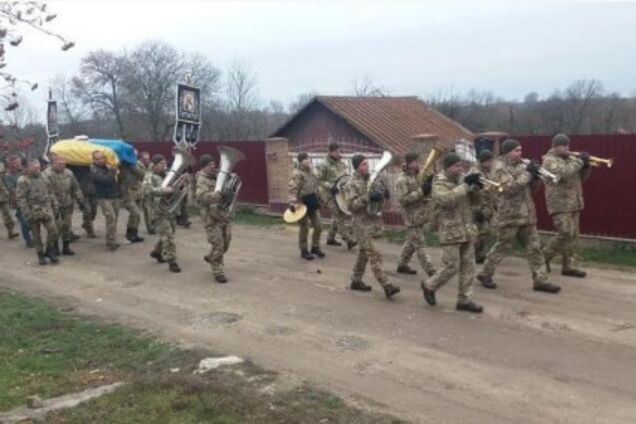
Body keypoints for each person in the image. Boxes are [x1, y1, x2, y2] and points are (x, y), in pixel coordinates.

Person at [476, 139, 561, 294]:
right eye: (516, 151)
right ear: (507, 152)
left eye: (521, 150)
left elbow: (532, 190)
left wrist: (535, 178)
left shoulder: (523, 165)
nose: (520, 153)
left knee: (535, 248)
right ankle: (485, 273)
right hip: (510, 215)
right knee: (503, 246)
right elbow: (509, 188)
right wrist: (528, 173)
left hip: (527, 214)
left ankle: (541, 280)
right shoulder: (498, 168)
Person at [420, 152, 483, 313]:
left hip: (466, 230)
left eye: (461, 165)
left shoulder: (462, 180)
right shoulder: (439, 183)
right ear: (447, 168)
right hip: (450, 231)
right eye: (456, 166)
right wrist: (465, 186)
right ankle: (429, 285)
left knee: (469, 267)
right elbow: (446, 200)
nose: (460, 169)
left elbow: (476, 202)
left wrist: (477, 190)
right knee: (451, 266)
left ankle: (464, 299)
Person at [344, 154, 400, 299]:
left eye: (367, 164)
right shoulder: (351, 183)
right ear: (356, 166)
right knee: (375, 255)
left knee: (364, 254)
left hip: (372, 222)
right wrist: (368, 197)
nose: (367, 167)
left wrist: (382, 193)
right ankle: (387, 286)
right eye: (363, 164)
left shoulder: (370, 179)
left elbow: (377, 195)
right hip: (361, 224)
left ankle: (356, 281)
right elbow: (352, 206)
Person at [542, 133, 591, 278]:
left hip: (574, 202)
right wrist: (579, 162)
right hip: (559, 203)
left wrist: (586, 167)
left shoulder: (570, 160)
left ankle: (568, 266)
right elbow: (564, 173)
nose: (567, 148)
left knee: (573, 236)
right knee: (564, 233)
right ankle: (543, 257)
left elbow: (582, 178)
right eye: (564, 145)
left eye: (568, 145)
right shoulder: (549, 161)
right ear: (556, 146)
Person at [395, 152, 436, 277]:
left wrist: (429, 183)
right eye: (415, 162)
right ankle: (431, 270)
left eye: (418, 161)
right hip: (410, 216)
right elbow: (403, 199)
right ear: (408, 163)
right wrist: (421, 191)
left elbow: (426, 195)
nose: (418, 164)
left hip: (420, 214)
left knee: (411, 241)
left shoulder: (418, 176)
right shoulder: (402, 179)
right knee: (420, 243)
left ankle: (402, 263)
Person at [195, 154, 234, 283]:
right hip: (210, 217)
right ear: (203, 167)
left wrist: (229, 189)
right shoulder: (201, 179)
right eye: (210, 165)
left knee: (226, 242)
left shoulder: (217, 176)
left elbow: (228, 188)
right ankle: (218, 271)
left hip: (222, 214)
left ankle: (212, 257)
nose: (213, 167)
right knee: (218, 244)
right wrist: (218, 195)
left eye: (214, 164)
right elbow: (202, 197)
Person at [16, 158, 59, 265]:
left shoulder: (43, 176)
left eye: (38, 166)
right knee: (36, 235)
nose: (37, 168)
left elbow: (50, 192)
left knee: (53, 231)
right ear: (26, 168)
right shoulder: (23, 180)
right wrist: (27, 214)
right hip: (32, 212)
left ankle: (49, 250)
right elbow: (21, 199)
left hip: (46, 209)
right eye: (33, 166)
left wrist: (55, 206)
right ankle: (40, 255)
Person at [143, 154, 181, 273]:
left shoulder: (167, 175)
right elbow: (147, 191)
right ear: (154, 165)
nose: (165, 166)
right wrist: (162, 190)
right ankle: (172, 261)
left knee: (168, 234)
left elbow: (175, 190)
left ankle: (156, 252)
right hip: (157, 211)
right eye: (161, 164)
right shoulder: (149, 176)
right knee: (168, 236)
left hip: (169, 210)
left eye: (165, 164)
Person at [315, 142, 356, 250]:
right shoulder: (323, 164)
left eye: (340, 151)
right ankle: (348, 239)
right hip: (328, 193)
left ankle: (330, 238)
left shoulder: (340, 163)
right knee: (338, 216)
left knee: (338, 215)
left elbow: (345, 177)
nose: (340, 153)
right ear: (331, 152)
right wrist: (330, 186)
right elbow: (318, 180)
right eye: (338, 151)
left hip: (339, 193)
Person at [42, 155, 84, 256]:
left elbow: (76, 187)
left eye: (63, 164)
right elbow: (47, 192)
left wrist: (80, 200)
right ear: (52, 164)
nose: (62, 166)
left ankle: (66, 247)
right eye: (59, 164)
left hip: (67, 204)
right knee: (56, 227)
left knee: (67, 226)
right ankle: (55, 247)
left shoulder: (69, 173)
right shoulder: (46, 175)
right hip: (53, 206)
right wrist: (53, 205)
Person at [288, 152, 325, 260]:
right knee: (305, 228)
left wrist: (321, 198)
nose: (309, 161)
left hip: (312, 202)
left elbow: (316, 187)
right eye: (306, 159)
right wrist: (292, 203)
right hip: (301, 204)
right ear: (301, 161)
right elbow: (292, 189)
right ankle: (304, 250)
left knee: (318, 226)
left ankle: (315, 247)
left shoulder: (311, 172)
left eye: (309, 159)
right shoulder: (297, 173)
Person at [90, 151, 122, 251]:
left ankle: (110, 239)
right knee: (111, 218)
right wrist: (113, 170)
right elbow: (105, 180)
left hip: (114, 196)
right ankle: (111, 242)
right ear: (94, 160)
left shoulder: (108, 166)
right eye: (98, 158)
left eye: (102, 158)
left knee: (114, 218)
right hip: (103, 197)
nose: (100, 160)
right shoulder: (93, 169)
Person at [470, 150, 498, 264]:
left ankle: (478, 253)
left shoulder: (488, 171)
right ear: (483, 161)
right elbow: (475, 191)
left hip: (487, 206)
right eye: (490, 161)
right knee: (482, 232)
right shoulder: (476, 172)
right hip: (478, 207)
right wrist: (478, 210)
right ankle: (475, 254)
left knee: (484, 232)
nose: (492, 163)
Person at [3, 155, 32, 247]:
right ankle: (28, 240)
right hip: (19, 202)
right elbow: (12, 190)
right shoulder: (8, 176)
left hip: (30, 200)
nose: (18, 164)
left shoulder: (24, 172)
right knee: (25, 222)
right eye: (16, 163)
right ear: (11, 164)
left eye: (19, 162)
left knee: (32, 221)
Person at [68, 164, 98, 238]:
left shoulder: (92, 164)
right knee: (87, 211)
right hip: (80, 191)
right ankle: (90, 230)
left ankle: (86, 223)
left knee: (94, 211)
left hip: (92, 190)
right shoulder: (72, 165)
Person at [118, 161, 145, 243]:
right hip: (127, 193)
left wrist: (133, 167)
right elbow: (120, 178)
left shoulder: (138, 163)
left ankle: (133, 234)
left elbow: (143, 174)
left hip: (138, 192)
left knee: (136, 216)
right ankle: (130, 233)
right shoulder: (120, 165)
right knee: (135, 213)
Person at [0, 160, 18, 240]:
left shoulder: (2, 166)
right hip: (3, 196)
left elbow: (5, 184)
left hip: (3, 198)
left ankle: (10, 232)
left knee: (7, 215)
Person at [138, 151, 154, 234]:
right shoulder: (138, 165)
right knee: (145, 210)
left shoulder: (151, 166)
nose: (147, 160)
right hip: (140, 190)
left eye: (148, 158)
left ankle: (151, 226)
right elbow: (142, 176)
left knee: (150, 209)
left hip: (150, 189)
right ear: (141, 159)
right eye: (145, 159)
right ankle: (149, 227)